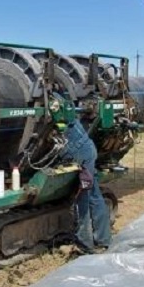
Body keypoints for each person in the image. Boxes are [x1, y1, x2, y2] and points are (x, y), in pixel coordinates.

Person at [54, 97, 112, 253]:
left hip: (81, 156)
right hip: (87, 150)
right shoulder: (60, 99)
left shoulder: (55, 104)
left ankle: (84, 245)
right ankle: (104, 239)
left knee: (83, 199)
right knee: (94, 195)